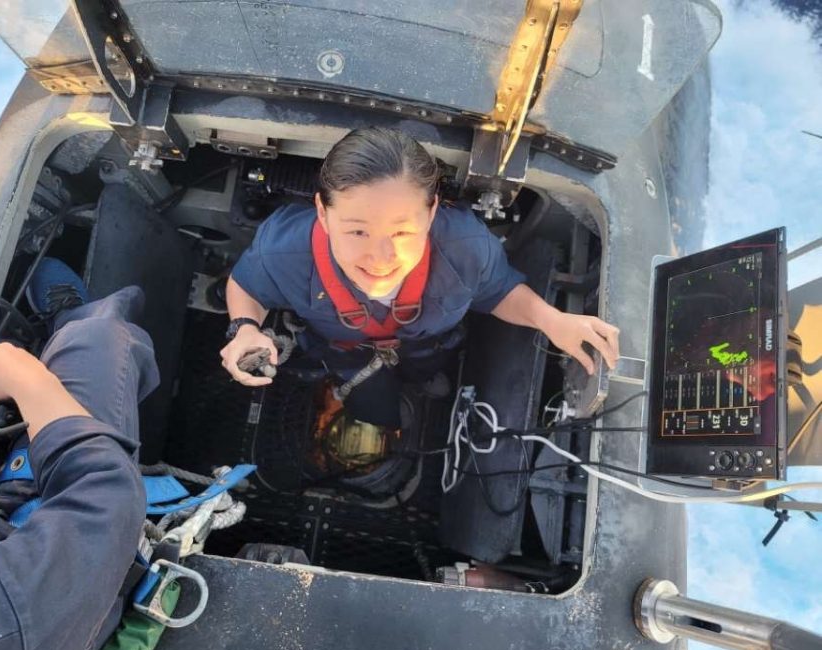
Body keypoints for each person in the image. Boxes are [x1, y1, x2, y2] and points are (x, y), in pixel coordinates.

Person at [221, 127, 621, 428]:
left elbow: (499, 291)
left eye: (402, 232)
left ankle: (420, 385)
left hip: (428, 346)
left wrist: (552, 320)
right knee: (368, 402)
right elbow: (247, 285)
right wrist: (244, 328)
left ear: (431, 213)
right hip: (345, 353)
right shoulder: (284, 250)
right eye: (357, 231)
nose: (381, 258)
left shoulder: (465, 246)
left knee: (426, 372)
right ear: (323, 214)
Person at [0, 258, 159, 650]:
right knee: (97, 339)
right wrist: (30, 384)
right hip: (37, 561)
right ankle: (66, 330)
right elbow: (104, 501)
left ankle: (26, 358)